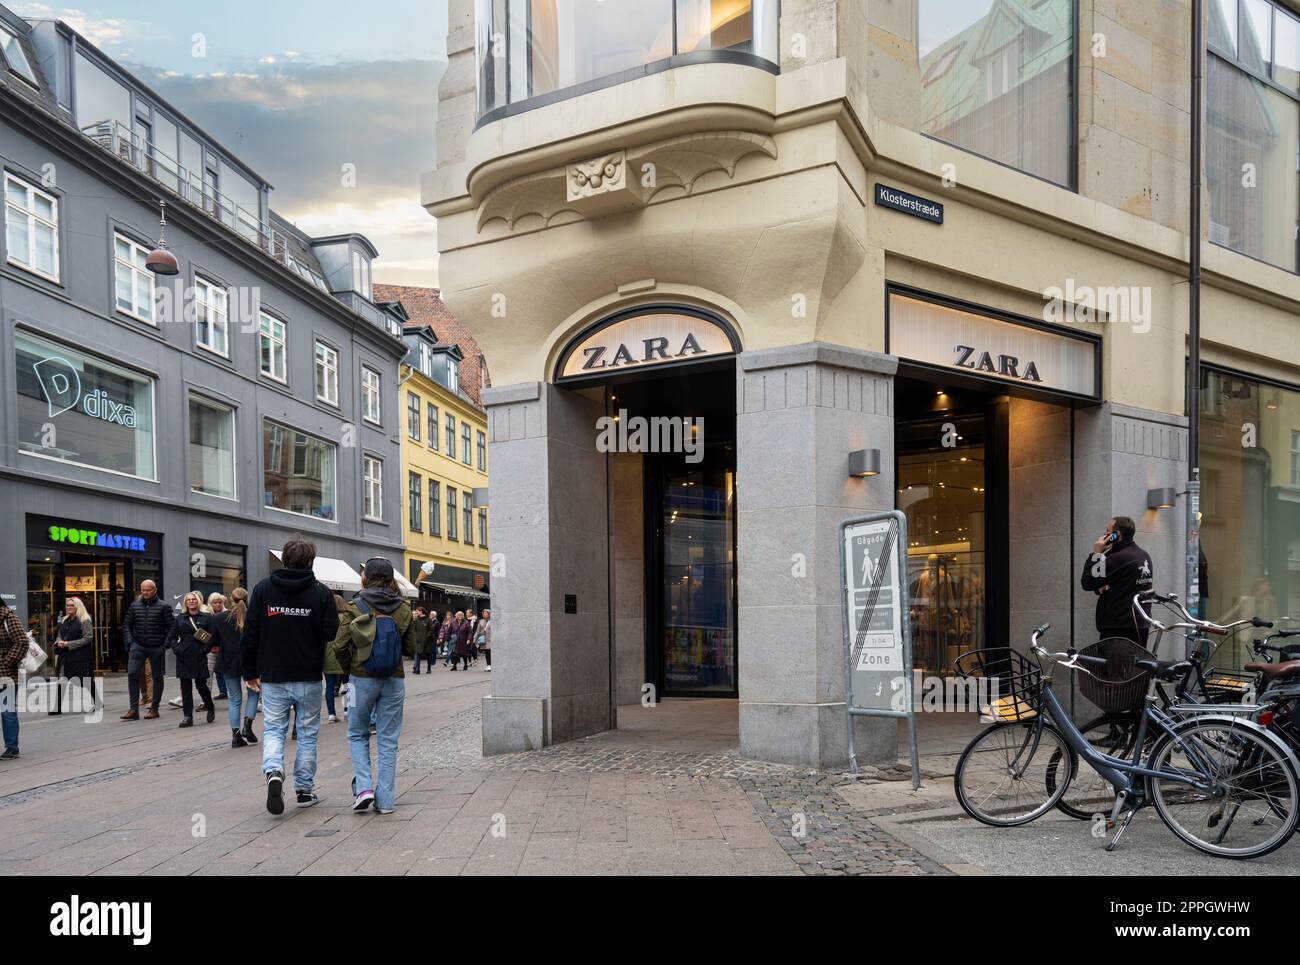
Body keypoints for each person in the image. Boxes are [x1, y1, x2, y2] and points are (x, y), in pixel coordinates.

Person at [242, 535, 338, 815]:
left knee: (274, 729)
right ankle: (305, 790)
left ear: (283, 559)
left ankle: (274, 771)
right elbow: (330, 631)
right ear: (311, 561)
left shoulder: (263, 589)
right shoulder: (321, 592)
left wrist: (249, 671)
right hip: (308, 674)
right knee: (307, 734)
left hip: (274, 675)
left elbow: (250, 633)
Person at [332, 558, 417, 814]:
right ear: (392, 579)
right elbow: (412, 648)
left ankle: (364, 788)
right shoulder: (403, 608)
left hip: (361, 680)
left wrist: (351, 669)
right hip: (394, 680)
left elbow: (339, 645)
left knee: (357, 733)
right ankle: (387, 801)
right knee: (388, 739)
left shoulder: (355, 605)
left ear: (365, 578)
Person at [1079, 515, 1154, 647]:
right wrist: (1100, 587)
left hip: (1118, 627)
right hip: (1140, 624)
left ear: (1116, 534)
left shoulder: (1119, 558)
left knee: (1115, 667)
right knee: (1137, 665)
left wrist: (1096, 553)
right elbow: (1122, 582)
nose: (1104, 535)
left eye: (1107, 531)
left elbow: (1088, 581)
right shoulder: (1142, 554)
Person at [121, 580, 175, 721]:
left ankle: (154, 708)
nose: (145, 592)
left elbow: (172, 628)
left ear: (155, 590)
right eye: (143, 590)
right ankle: (133, 709)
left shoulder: (164, 607)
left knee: (156, 676)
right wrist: (129, 643)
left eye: (148, 590)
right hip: (137, 646)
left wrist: (165, 646)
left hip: (156, 647)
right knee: (132, 674)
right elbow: (126, 625)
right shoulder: (134, 606)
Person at [212, 589, 259, 747]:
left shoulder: (219, 618)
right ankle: (248, 726)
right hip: (250, 661)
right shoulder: (253, 617)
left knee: (234, 699)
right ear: (246, 599)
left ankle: (236, 736)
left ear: (230, 600)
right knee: (253, 694)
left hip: (228, 661)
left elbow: (214, 641)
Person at [167, 592, 216, 728]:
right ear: (185, 603)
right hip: (183, 656)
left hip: (199, 655)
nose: (191, 601)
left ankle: (210, 706)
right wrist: (176, 648)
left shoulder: (206, 617)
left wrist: (205, 650)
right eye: (188, 600)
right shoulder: (180, 618)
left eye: (194, 599)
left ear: (198, 601)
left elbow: (212, 637)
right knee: (185, 687)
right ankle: (187, 716)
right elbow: (171, 636)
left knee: (201, 685)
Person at [55, 597, 95, 714]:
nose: (69, 607)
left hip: (80, 657)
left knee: (85, 681)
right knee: (61, 678)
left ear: (78, 606)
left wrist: (68, 644)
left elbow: (88, 638)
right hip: (65, 656)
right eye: (67, 605)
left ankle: (97, 702)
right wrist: (59, 642)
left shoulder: (84, 620)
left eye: (72, 605)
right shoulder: (64, 620)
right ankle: (57, 707)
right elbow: (59, 635)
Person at [0, 599, 27, 760]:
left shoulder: (7, 617)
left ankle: (12, 747)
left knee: (7, 711)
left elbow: (22, 641)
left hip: (5, 672)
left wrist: (6, 661)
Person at [324, 592, 348, 723]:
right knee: (349, 684)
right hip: (345, 656)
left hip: (328, 656)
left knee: (329, 686)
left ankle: (331, 714)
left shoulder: (326, 618)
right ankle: (348, 710)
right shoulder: (346, 618)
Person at [206, 593, 230, 701]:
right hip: (210, 648)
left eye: (219, 602)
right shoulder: (207, 615)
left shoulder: (227, 614)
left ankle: (227, 692)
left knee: (224, 672)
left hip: (224, 648)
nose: (217, 605)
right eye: (214, 603)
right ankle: (206, 699)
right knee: (208, 674)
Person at [411, 606, 430, 674]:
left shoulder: (428, 619)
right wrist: (415, 637)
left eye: (417, 611)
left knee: (428, 655)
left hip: (427, 641)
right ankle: (417, 669)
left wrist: (427, 636)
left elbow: (431, 630)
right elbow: (414, 629)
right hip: (418, 640)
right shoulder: (416, 620)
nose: (416, 613)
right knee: (418, 655)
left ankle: (429, 668)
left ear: (421, 611)